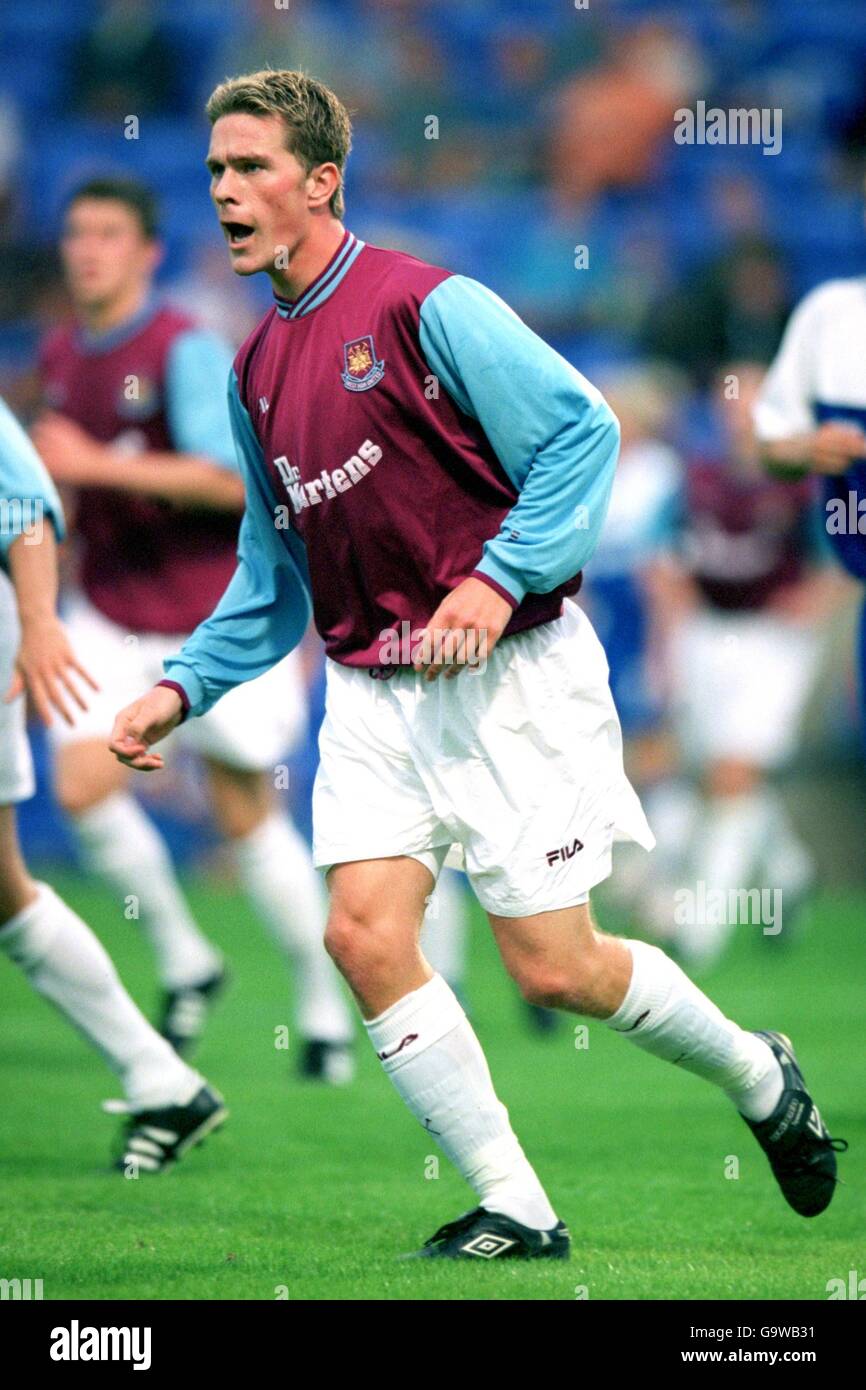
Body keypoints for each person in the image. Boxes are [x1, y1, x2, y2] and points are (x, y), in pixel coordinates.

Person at [111, 70, 844, 1259]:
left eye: (249, 168)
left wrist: (492, 577)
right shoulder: (254, 372)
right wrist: (178, 686)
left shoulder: (423, 306)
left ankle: (759, 1077)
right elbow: (269, 574)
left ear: (321, 181)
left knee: (554, 968)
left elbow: (580, 431)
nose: (226, 192)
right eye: (213, 172)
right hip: (368, 691)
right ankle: (518, 1205)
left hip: (508, 676)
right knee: (362, 934)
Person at [34, 176, 353, 1079]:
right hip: (107, 608)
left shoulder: (181, 348)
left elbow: (231, 484)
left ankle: (321, 997)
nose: (87, 249)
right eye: (76, 233)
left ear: (147, 253)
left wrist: (100, 465)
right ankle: (184, 957)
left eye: (107, 233)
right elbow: (65, 483)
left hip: (212, 618)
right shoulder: (60, 353)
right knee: (81, 782)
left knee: (245, 811)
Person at [0, 394, 225, 1173]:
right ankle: (162, 1070)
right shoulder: (68, 350)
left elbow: (25, 494)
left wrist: (37, 623)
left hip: (162, 614)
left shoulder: (176, 348)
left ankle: (185, 1032)